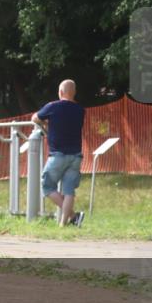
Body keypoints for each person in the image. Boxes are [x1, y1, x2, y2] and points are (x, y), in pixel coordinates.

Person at [32, 79, 85, 227]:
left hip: (58, 154)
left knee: (47, 186)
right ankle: (64, 224)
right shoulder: (80, 110)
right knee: (69, 190)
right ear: (74, 93)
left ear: (60, 92)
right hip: (76, 155)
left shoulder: (53, 106)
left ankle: (74, 216)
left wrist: (45, 124)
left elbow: (35, 118)